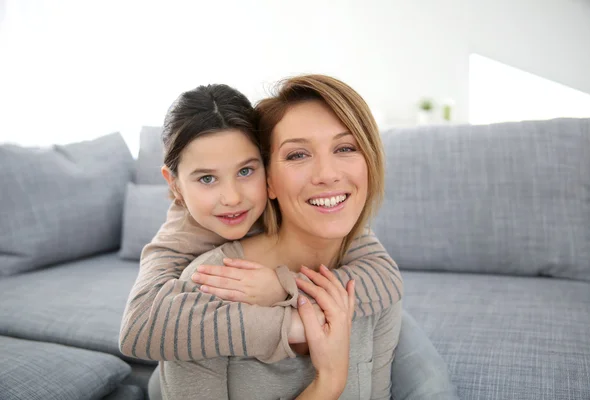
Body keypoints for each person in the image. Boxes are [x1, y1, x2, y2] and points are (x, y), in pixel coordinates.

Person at [119, 82, 403, 365]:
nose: (232, 198)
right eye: (207, 178)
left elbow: (384, 277)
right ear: (175, 185)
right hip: (185, 370)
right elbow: (140, 325)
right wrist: (294, 324)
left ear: (267, 169)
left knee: (403, 331)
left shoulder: (302, 202)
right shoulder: (182, 233)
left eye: (245, 170)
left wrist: (284, 288)